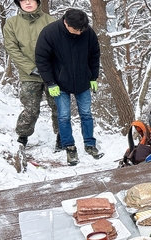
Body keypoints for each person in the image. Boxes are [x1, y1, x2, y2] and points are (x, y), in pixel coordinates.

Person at [34, 9, 102, 166]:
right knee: (64, 116)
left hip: (83, 80)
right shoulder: (50, 33)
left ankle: (90, 144)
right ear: (66, 23)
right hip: (60, 83)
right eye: (76, 30)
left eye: (82, 30)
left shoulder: (87, 32)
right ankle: (69, 146)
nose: (79, 33)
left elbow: (94, 54)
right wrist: (50, 82)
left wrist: (93, 76)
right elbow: (42, 59)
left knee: (86, 114)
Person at [2, 0, 59, 150]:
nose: (27, 3)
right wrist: (31, 68)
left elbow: (61, 47)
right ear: (19, 3)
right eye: (23, 0)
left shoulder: (51, 21)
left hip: (53, 74)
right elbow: (12, 48)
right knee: (31, 108)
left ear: (37, 1)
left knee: (58, 106)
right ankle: (22, 137)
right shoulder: (12, 23)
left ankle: (62, 137)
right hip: (29, 75)